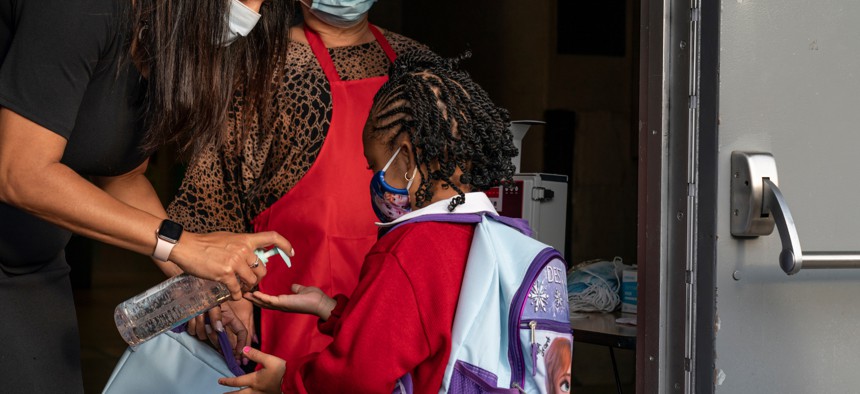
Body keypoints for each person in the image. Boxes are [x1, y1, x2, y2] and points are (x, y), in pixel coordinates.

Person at [0, 1, 294, 392]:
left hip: (30, 262)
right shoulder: (78, 10)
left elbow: (121, 175)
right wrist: (184, 245)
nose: (249, 15)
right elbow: (21, 173)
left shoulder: (163, 43)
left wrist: (201, 285)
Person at [218, 49, 519, 393]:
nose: (374, 179)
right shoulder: (497, 235)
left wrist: (286, 381)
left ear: (405, 158)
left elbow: (356, 378)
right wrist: (329, 308)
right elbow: (420, 332)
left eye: (374, 165)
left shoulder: (410, 249)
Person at [167, 0, 429, 365]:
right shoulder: (262, 66)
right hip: (291, 297)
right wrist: (226, 293)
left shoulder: (416, 63)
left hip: (400, 291)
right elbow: (212, 193)